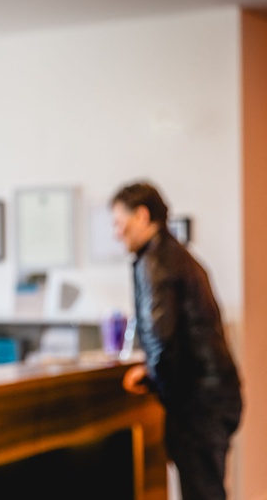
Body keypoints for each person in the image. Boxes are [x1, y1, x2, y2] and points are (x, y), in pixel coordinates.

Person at [110, 181, 242, 500]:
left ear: (142, 216)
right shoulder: (177, 256)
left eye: (118, 222)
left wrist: (153, 378)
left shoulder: (156, 262)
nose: (116, 233)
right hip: (215, 397)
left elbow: (161, 338)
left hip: (197, 403)